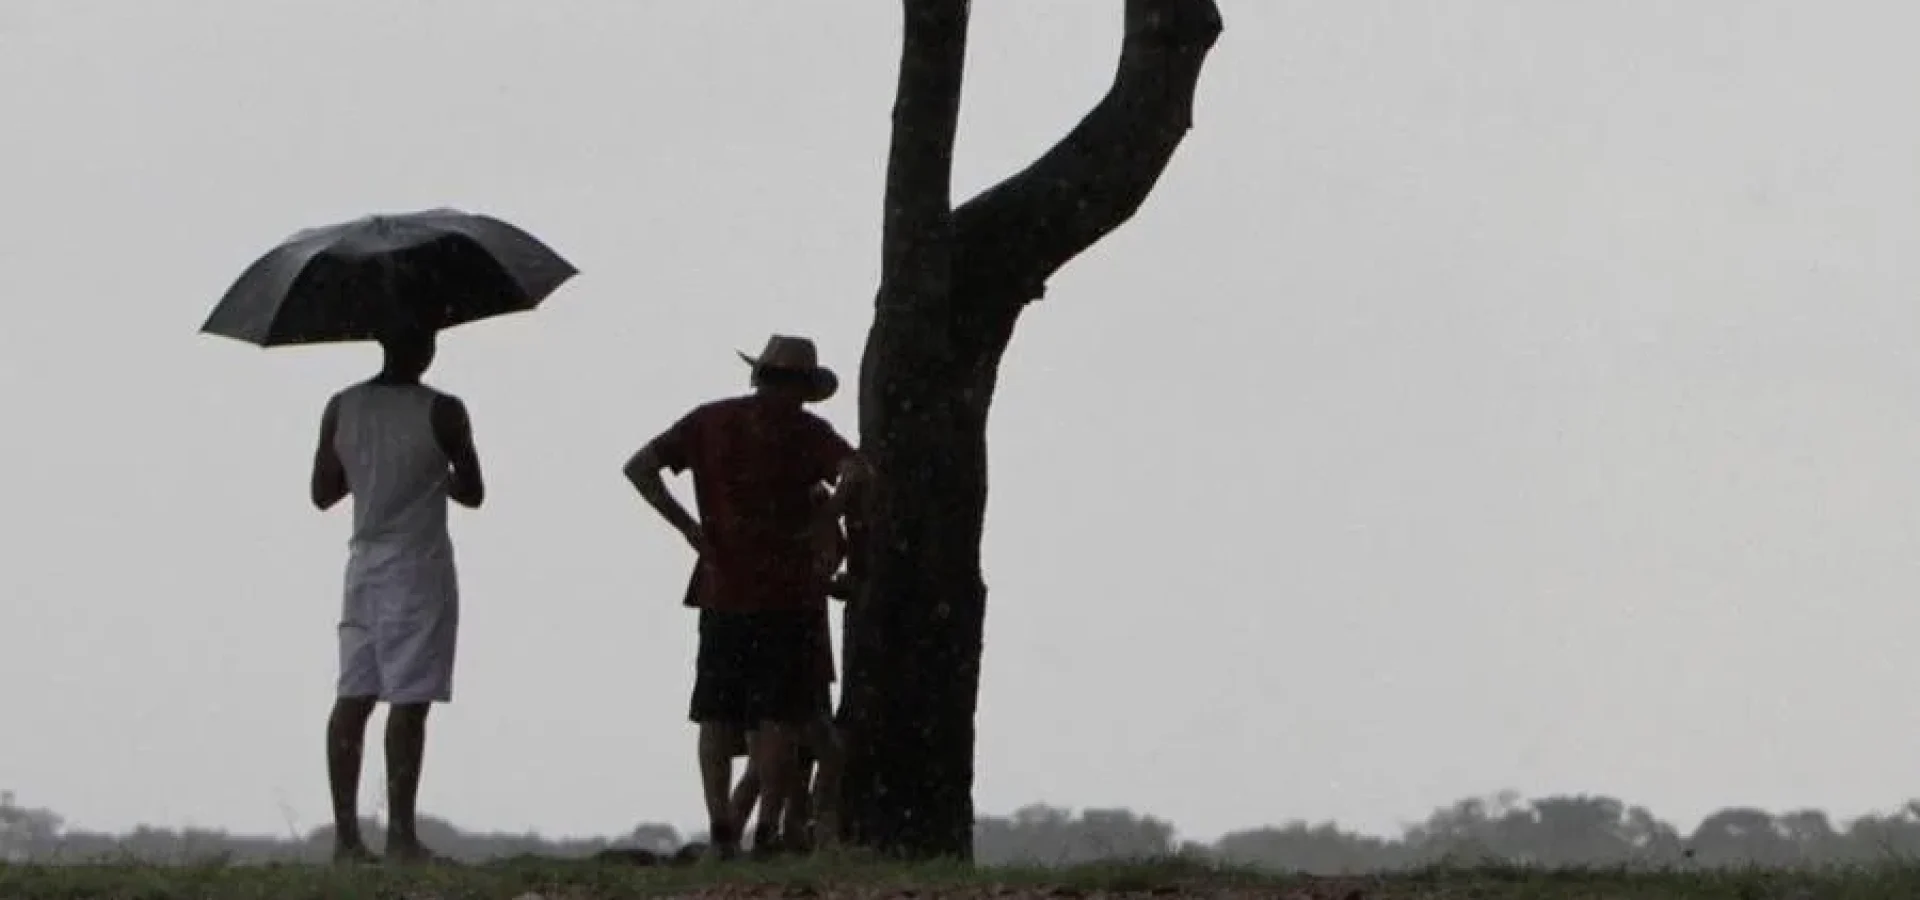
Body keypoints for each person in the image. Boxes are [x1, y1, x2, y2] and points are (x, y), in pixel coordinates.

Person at [624, 334, 868, 859]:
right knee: (777, 720)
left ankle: (722, 827)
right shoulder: (808, 433)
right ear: (804, 386)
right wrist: (829, 514)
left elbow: (639, 468)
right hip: (788, 596)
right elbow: (856, 471)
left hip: (721, 589)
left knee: (715, 715)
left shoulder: (708, 421)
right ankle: (767, 832)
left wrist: (688, 527)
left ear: (759, 375)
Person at [309, 322, 484, 864]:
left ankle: (347, 839)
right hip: (418, 567)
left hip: (363, 565)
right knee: (409, 701)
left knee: (353, 696)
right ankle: (402, 836)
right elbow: (473, 491)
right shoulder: (444, 411)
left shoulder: (342, 407)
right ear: (427, 348)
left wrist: (370, 470)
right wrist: (435, 476)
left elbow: (323, 492)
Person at [724, 484, 855, 851]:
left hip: (792, 653)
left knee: (777, 761)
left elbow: (829, 554)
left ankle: (746, 838)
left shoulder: (789, 500)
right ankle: (804, 835)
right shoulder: (802, 501)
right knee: (790, 758)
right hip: (790, 653)